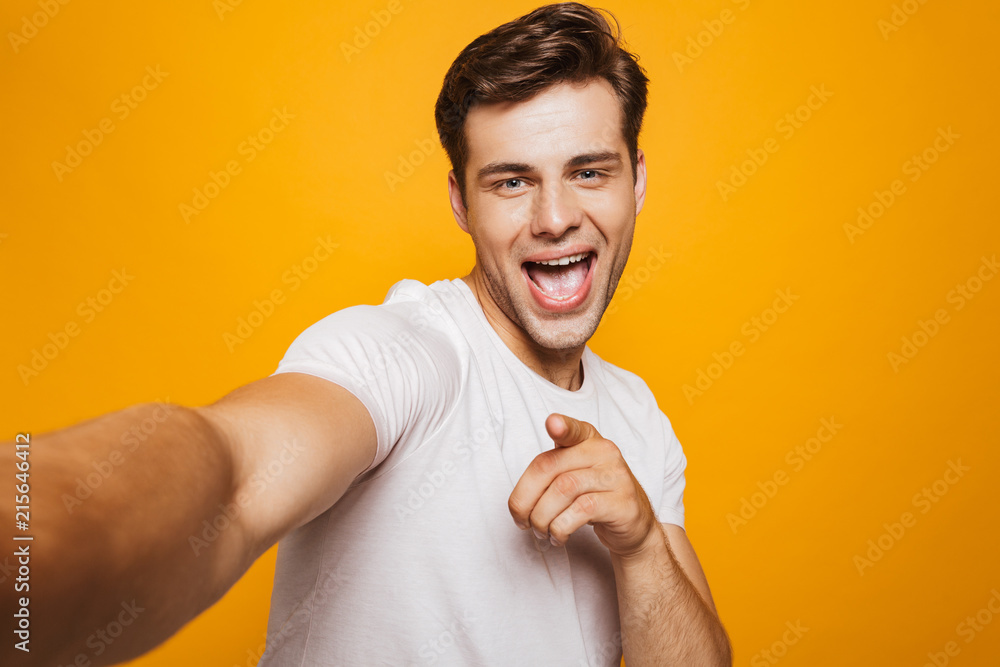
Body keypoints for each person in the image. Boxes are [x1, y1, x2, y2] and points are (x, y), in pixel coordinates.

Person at [4, 2, 732, 665]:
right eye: (511, 181)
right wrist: (34, 524)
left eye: (588, 172)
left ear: (636, 179)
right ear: (460, 200)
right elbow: (231, 475)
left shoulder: (639, 415)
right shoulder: (402, 354)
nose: (553, 217)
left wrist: (639, 545)